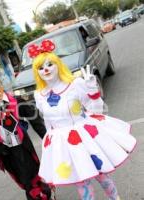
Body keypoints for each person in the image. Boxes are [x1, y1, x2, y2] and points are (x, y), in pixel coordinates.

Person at [30, 39, 137, 200]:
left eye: (49, 64)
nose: (45, 69)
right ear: (36, 72)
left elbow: (95, 109)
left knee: (101, 175)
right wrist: (49, 146)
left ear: (58, 65)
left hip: (84, 136)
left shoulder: (75, 84)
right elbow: (48, 122)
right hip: (62, 142)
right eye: (40, 67)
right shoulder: (39, 94)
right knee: (81, 181)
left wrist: (93, 91)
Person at [0, 72, 52, 200]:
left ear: (2, 85)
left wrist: (47, 138)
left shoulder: (17, 101)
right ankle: (38, 194)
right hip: (6, 152)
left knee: (33, 176)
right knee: (22, 179)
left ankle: (43, 195)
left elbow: (35, 121)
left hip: (23, 147)